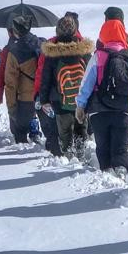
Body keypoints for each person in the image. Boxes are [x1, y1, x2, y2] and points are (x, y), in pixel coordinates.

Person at [75, 11, 128, 173]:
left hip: (99, 111)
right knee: (120, 149)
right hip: (124, 111)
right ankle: (121, 175)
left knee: (103, 148)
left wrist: (80, 106)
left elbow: (86, 84)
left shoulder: (98, 56)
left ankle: (107, 175)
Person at [39, 15, 93, 159]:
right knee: (81, 127)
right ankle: (80, 152)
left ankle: (68, 154)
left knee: (64, 130)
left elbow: (46, 78)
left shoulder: (52, 53)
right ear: (75, 30)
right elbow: (91, 76)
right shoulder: (85, 51)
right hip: (81, 100)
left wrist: (44, 99)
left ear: (58, 31)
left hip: (60, 100)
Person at [3, 16, 42, 144]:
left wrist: (11, 107)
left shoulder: (14, 51)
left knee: (20, 134)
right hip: (43, 95)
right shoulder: (42, 44)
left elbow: (10, 83)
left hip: (25, 98)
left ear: (15, 31)